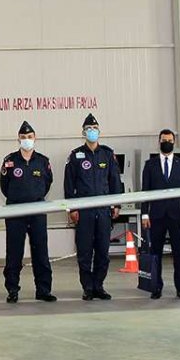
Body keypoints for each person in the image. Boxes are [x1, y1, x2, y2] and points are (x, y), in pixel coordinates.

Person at [64, 113, 123, 301]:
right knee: (84, 252)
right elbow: (69, 184)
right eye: (89, 129)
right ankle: (87, 287)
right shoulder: (75, 156)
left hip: (103, 211)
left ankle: (99, 286)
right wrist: (72, 208)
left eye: (95, 128)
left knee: (103, 251)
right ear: (83, 132)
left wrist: (116, 204)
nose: (92, 131)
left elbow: (115, 181)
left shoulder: (107, 154)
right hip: (84, 212)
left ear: (99, 131)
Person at [0, 121, 56, 303]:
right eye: (23, 137)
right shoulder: (9, 161)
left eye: (29, 137)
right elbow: (4, 187)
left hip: (37, 211)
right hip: (15, 212)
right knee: (14, 252)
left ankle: (43, 290)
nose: (26, 140)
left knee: (41, 252)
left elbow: (47, 183)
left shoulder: (43, 161)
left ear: (35, 138)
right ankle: (12, 290)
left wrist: (35, 196)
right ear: (18, 139)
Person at [139, 129, 180, 300]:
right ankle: (156, 286)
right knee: (155, 253)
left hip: (177, 215)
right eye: (164, 140)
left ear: (174, 142)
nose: (167, 143)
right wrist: (144, 214)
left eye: (170, 140)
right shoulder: (150, 165)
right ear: (159, 141)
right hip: (156, 216)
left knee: (179, 254)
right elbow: (145, 191)